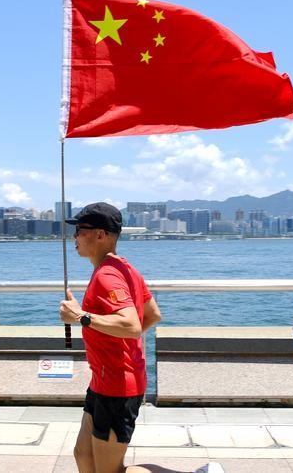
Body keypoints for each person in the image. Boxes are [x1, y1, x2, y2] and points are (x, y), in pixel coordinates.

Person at [59, 202, 224, 473]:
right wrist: (116, 343)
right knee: (83, 455)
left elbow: (131, 324)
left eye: (79, 230)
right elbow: (153, 314)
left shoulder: (108, 276)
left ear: (100, 235)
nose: (74, 237)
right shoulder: (123, 269)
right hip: (102, 379)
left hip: (116, 386)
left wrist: (82, 317)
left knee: (111, 472)